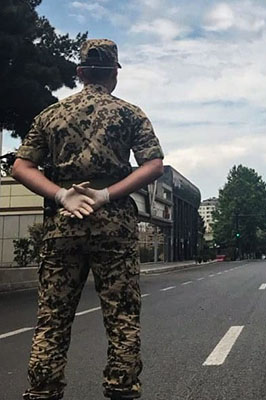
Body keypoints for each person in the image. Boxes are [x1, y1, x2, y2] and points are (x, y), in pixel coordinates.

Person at [12, 39, 164, 400]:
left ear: (80, 73)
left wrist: (62, 194)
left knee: (52, 317)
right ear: (114, 73)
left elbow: (21, 166)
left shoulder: (50, 115)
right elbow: (154, 165)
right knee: (122, 316)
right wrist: (107, 194)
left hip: (63, 223)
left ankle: (43, 389)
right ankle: (121, 388)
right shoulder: (130, 113)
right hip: (113, 225)